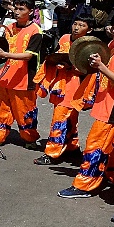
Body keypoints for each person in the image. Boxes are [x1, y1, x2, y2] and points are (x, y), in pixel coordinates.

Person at [59, 12, 114, 198]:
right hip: (104, 101)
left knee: (95, 145)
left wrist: (101, 67)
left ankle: (85, 185)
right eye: (113, 27)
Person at [34, 12, 98, 165]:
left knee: (60, 119)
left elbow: (90, 70)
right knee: (70, 119)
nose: (76, 28)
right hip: (59, 83)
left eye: (82, 25)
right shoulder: (64, 38)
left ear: (89, 30)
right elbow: (55, 55)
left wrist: (73, 67)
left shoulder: (91, 46)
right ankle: (72, 147)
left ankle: (52, 153)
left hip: (75, 87)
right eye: (76, 23)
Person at [0, 0, 44, 148]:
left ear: (31, 11)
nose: (17, 12)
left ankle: (29, 138)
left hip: (23, 79)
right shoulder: (9, 27)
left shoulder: (35, 31)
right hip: (4, 76)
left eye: (21, 9)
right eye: (16, 8)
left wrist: (6, 55)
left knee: (24, 111)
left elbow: (29, 55)